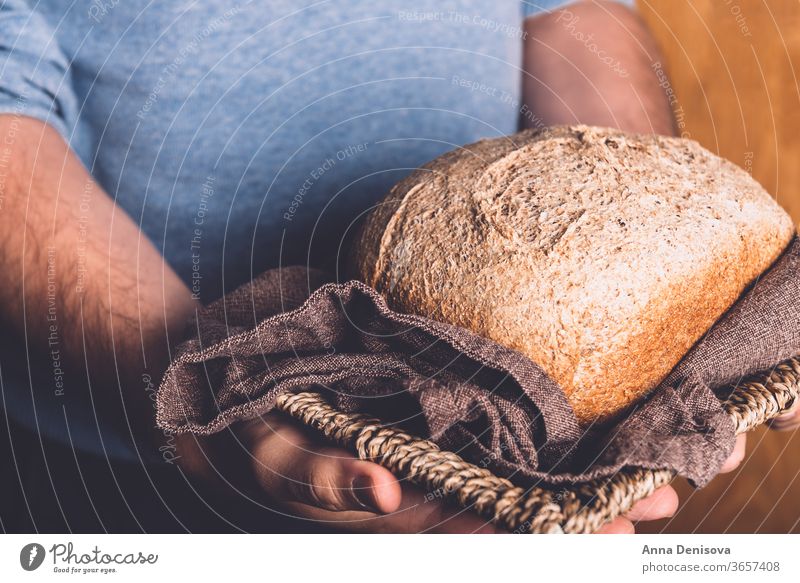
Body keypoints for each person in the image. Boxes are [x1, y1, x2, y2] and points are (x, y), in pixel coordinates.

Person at [0, 0, 772, 534]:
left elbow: (566, 12)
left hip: (500, 428)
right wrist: (202, 386)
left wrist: (657, 247)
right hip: (115, 461)